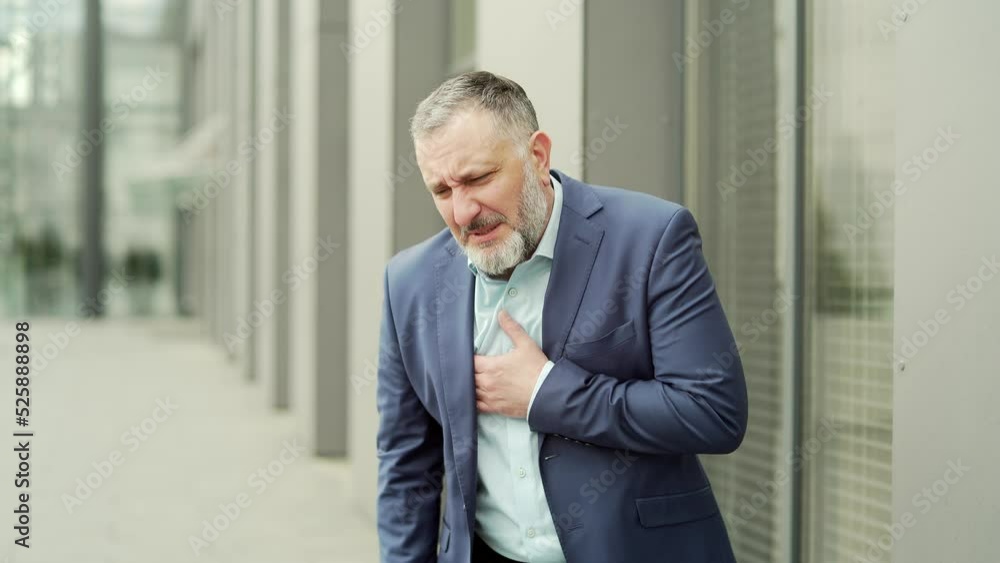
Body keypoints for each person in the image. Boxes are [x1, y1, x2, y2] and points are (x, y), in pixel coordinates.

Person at [376, 70, 747, 563]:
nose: (463, 211)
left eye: (478, 179)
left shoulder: (652, 238)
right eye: (441, 191)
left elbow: (712, 411)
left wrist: (546, 392)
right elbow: (406, 466)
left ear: (537, 154)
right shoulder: (409, 283)